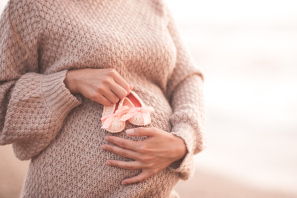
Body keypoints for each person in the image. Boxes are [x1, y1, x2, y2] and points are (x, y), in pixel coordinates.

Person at [0, 0, 206, 197]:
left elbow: (186, 79)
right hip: (71, 189)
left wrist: (183, 139)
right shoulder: (30, 5)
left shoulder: (153, 4)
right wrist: (68, 81)